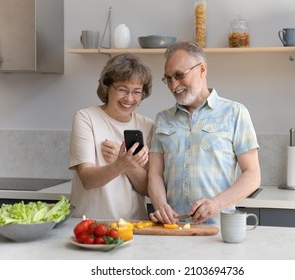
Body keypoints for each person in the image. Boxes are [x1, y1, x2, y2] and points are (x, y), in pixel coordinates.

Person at [148, 41, 261, 225]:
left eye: (179, 75)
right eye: (168, 78)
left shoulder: (235, 113)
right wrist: (161, 206)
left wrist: (216, 204)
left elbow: (252, 175)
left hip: (218, 230)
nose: (173, 85)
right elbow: (154, 174)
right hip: (172, 228)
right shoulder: (163, 119)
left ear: (202, 69)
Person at [69, 53, 154, 220]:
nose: (129, 99)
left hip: (134, 225)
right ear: (107, 87)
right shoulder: (86, 118)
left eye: (136, 92)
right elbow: (87, 179)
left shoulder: (148, 126)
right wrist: (120, 164)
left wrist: (123, 161)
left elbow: (148, 188)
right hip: (89, 223)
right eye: (122, 89)